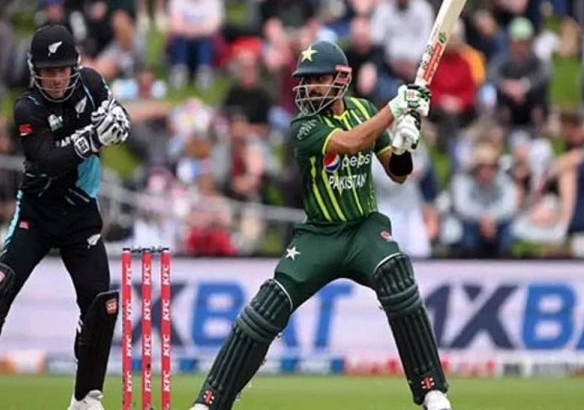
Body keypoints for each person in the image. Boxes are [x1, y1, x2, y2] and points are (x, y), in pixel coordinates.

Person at [189, 40, 451, 410]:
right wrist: (394, 109)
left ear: (341, 79)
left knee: (397, 276)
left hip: (363, 229)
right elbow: (350, 143)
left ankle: (431, 390)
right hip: (319, 235)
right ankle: (210, 401)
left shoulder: (363, 110)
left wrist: (404, 145)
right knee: (266, 308)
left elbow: (397, 173)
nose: (310, 87)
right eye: (305, 80)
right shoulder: (303, 126)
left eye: (318, 79)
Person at [0, 24, 130, 410]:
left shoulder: (92, 84)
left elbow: (117, 115)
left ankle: (86, 397)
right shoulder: (27, 107)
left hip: (81, 214)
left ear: (74, 67)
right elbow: (48, 160)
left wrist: (120, 124)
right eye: (48, 71)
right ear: (34, 71)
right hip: (36, 214)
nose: (56, 79)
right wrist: (93, 139)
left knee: (101, 304)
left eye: (62, 70)